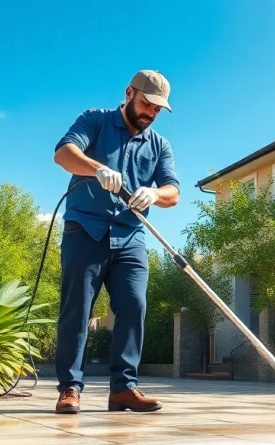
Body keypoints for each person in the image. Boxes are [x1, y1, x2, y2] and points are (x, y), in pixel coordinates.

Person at [51, 70, 179, 414]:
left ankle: (124, 389)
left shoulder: (159, 145)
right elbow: (63, 154)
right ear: (129, 93)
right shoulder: (95, 120)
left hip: (130, 234)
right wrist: (96, 168)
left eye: (158, 109)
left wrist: (154, 193)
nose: (151, 113)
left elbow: (173, 192)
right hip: (85, 229)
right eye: (147, 104)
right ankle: (70, 388)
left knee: (134, 305)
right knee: (77, 310)